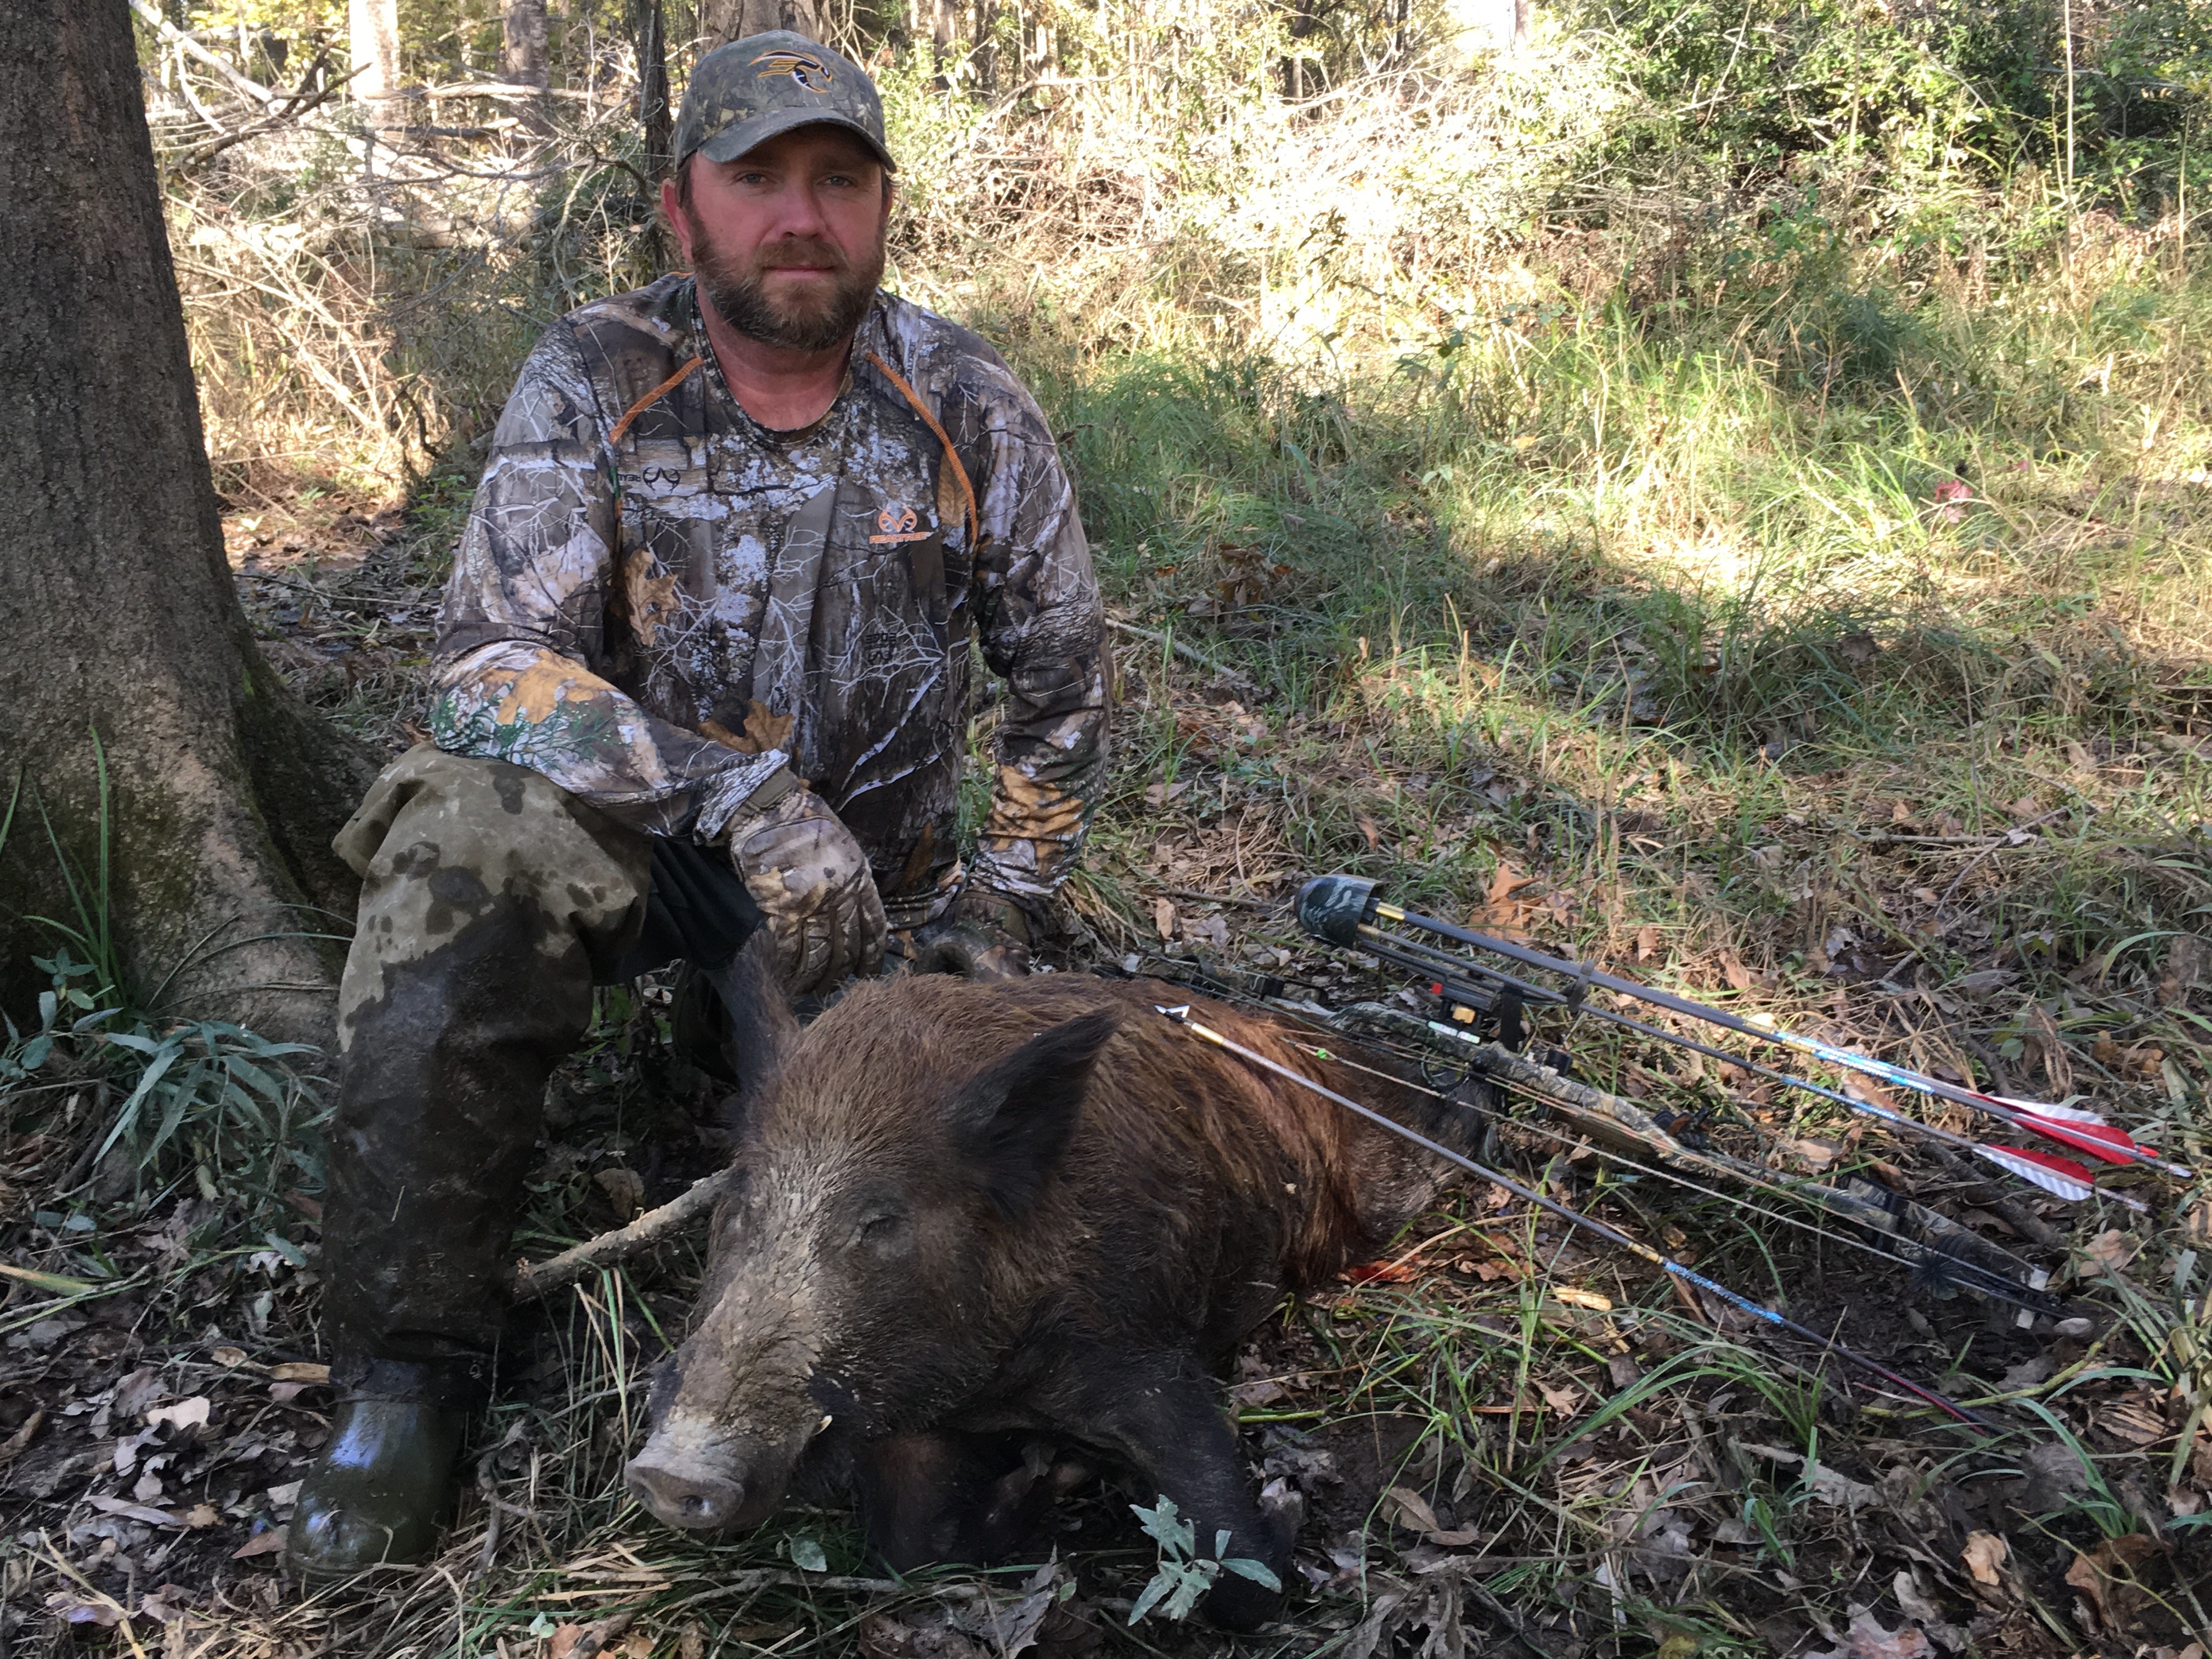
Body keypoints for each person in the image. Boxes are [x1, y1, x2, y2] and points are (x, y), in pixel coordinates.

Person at [286, 31, 1108, 1577]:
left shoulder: (966, 398)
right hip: (657, 862)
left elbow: (1065, 699)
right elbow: (485, 664)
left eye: (838, 181)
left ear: (881, 208)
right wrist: (734, 793)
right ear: (683, 212)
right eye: (758, 180)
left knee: (956, 1221)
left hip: (885, 913)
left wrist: (998, 918)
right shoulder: (597, 371)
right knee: (457, 842)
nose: (801, 217)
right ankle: (407, 1376)